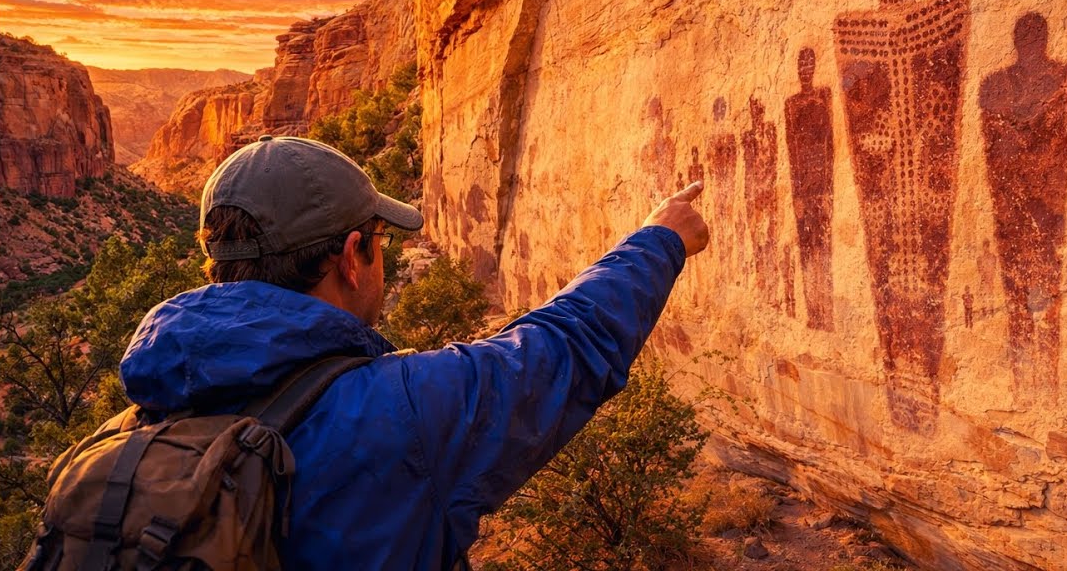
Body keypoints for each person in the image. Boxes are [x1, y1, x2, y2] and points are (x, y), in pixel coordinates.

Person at [117, 134, 709, 570]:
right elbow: (563, 348)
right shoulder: (401, 411)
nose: (383, 257)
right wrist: (661, 241)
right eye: (379, 241)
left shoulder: (132, 430)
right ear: (351, 257)